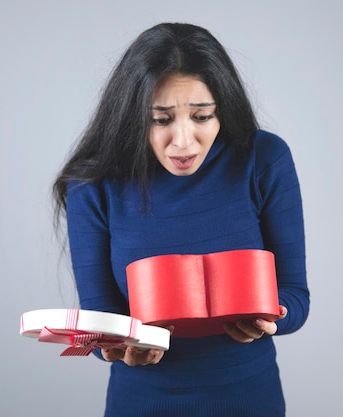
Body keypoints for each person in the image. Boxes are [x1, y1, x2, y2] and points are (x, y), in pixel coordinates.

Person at [53, 22, 309, 417]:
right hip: (142, 403)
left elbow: (295, 295)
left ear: (223, 108)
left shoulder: (264, 159)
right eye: (161, 119)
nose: (184, 141)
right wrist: (118, 347)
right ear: (132, 113)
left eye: (202, 116)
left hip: (248, 398)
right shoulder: (93, 183)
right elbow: (99, 318)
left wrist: (270, 315)